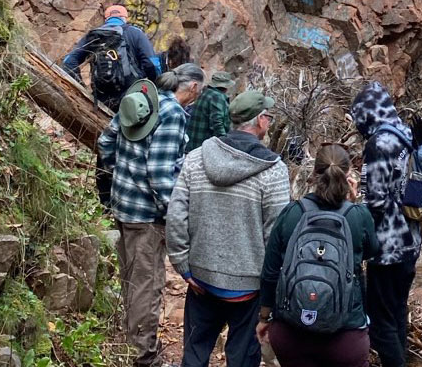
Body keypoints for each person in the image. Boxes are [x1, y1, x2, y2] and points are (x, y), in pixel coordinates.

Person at [165, 90, 291, 367]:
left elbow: (175, 216)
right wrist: (270, 288)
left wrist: (183, 267)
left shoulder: (197, 157)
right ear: (260, 121)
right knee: (243, 358)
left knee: (194, 355)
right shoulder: (274, 170)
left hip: (200, 279)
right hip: (249, 287)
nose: (268, 122)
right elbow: (277, 237)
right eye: (267, 117)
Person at [96, 63, 202, 367]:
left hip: (123, 207)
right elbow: (160, 176)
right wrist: (175, 218)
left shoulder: (145, 97)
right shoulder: (172, 115)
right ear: (193, 88)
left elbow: (105, 141)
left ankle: (130, 345)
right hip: (146, 218)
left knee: (132, 280)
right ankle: (144, 357)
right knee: (147, 285)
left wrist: (121, 177)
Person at [259, 144, 380, 367]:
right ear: (347, 176)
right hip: (346, 336)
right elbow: (373, 251)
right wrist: (354, 203)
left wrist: (264, 317)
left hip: (291, 332)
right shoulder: (357, 215)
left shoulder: (292, 212)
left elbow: (270, 272)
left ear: (314, 174)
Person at [350, 82, 422, 367]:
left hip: (389, 248)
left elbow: (375, 202)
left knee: (380, 324)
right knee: (397, 311)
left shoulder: (378, 144)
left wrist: (355, 226)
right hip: (412, 240)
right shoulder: (404, 133)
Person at [63, 5, 159, 110]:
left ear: (106, 19)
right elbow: (151, 64)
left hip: (101, 99)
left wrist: (81, 88)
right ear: (125, 18)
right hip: (132, 97)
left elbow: (68, 62)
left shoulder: (93, 35)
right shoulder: (135, 33)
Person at [183, 71, 235, 153]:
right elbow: (217, 122)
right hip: (203, 147)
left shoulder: (205, 93)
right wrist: (225, 143)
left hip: (192, 146)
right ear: (226, 87)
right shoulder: (217, 97)